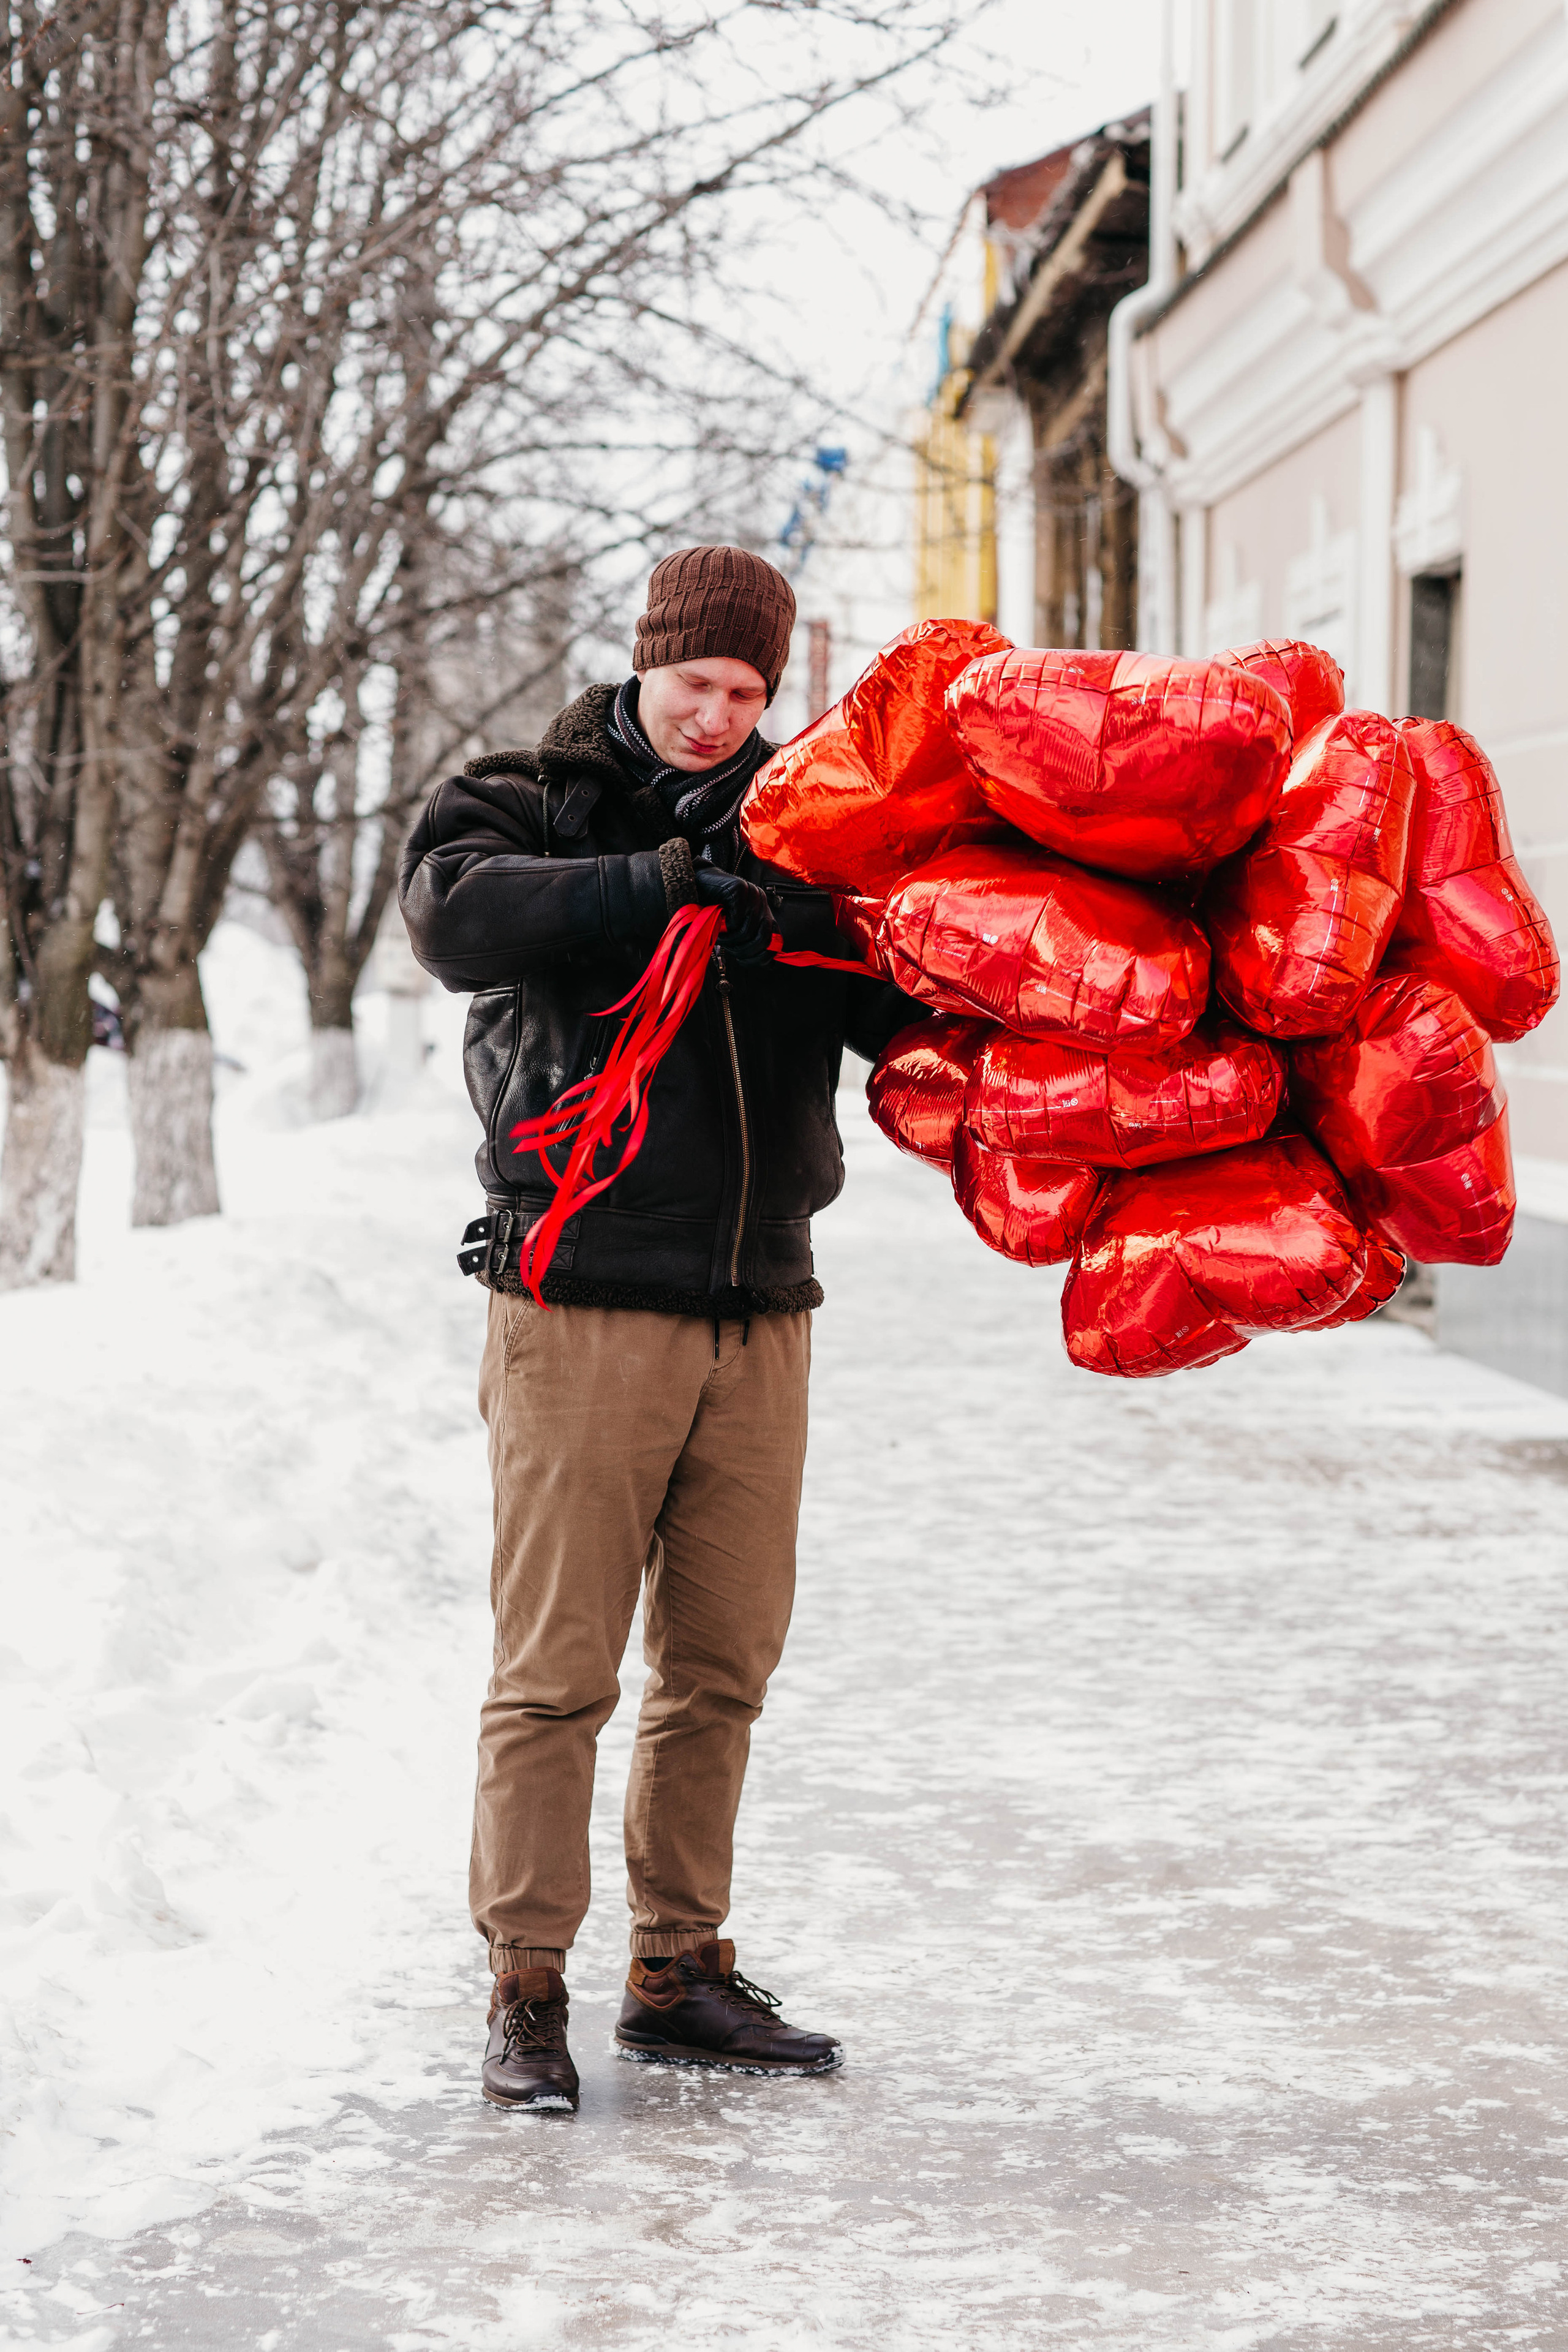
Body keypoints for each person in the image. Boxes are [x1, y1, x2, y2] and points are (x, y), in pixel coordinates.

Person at [399, 545, 921, 2113]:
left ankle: (675, 1972)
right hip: (579, 1300)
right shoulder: (533, 794)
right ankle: (525, 1988)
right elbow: (456, 922)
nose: (716, 714)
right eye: (695, 682)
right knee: (556, 1671)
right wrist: (656, 883)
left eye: (748, 691)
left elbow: (902, 1012)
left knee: (721, 1667)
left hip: (759, 1305)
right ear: (645, 661)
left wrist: (859, 935)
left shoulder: (803, 830)